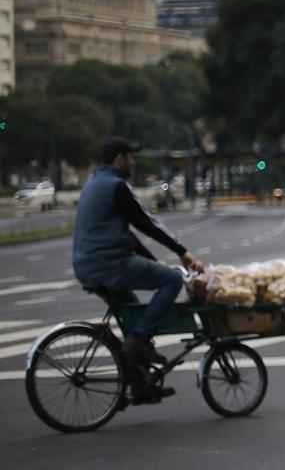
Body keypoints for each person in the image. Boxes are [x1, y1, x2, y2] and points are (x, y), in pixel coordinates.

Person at [73, 137, 204, 400]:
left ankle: (140, 385)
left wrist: (153, 262)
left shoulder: (94, 183)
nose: (132, 162)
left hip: (89, 264)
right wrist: (183, 253)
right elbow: (146, 224)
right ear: (119, 159)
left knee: (133, 316)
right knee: (171, 281)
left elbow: (128, 235)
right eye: (130, 157)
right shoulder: (116, 186)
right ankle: (140, 342)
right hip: (109, 264)